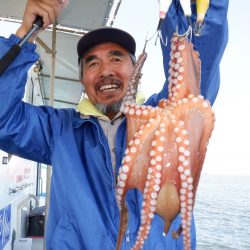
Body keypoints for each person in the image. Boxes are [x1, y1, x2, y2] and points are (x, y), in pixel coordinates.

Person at [0, 0, 228, 249]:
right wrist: (25, 34)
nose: (105, 70)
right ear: (83, 81)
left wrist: (185, 9)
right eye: (93, 63)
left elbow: (195, 68)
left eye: (116, 59)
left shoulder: (168, 115)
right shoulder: (60, 131)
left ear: (136, 70)